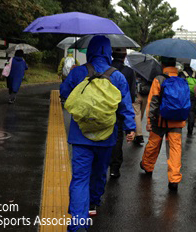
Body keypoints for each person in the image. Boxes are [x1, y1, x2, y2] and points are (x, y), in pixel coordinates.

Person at [60, 36, 136, 231]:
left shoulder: (78, 72)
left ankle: (78, 224)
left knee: (79, 179)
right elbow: (125, 105)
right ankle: (93, 202)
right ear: (108, 52)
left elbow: (63, 92)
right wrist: (130, 128)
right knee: (100, 171)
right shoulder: (117, 76)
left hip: (80, 136)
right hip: (107, 136)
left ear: (91, 51)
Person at [140, 56, 187, 191]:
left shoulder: (159, 79)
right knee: (175, 149)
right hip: (177, 120)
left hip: (160, 120)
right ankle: (174, 180)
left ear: (162, 64)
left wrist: (149, 121)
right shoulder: (181, 79)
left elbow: (153, 101)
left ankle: (147, 166)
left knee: (153, 144)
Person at [109, 47, 137, 178]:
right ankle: (114, 168)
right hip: (119, 111)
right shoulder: (129, 72)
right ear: (125, 56)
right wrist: (130, 126)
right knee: (117, 138)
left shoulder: (104, 69)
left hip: (103, 109)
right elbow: (131, 95)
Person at [178, 63, 196, 136]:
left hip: (183, 95)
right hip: (192, 95)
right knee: (191, 112)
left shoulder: (181, 73)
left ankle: (179, 127)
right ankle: (190, 130)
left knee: (181, 110)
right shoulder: (195, 74)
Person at [133, 73, 151, 145]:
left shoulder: (137, 70)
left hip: (137, 94)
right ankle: (137, 132)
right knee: (141, 115)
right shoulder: (151, 72)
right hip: (146, 95)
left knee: (137, 114)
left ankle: (138, 135)